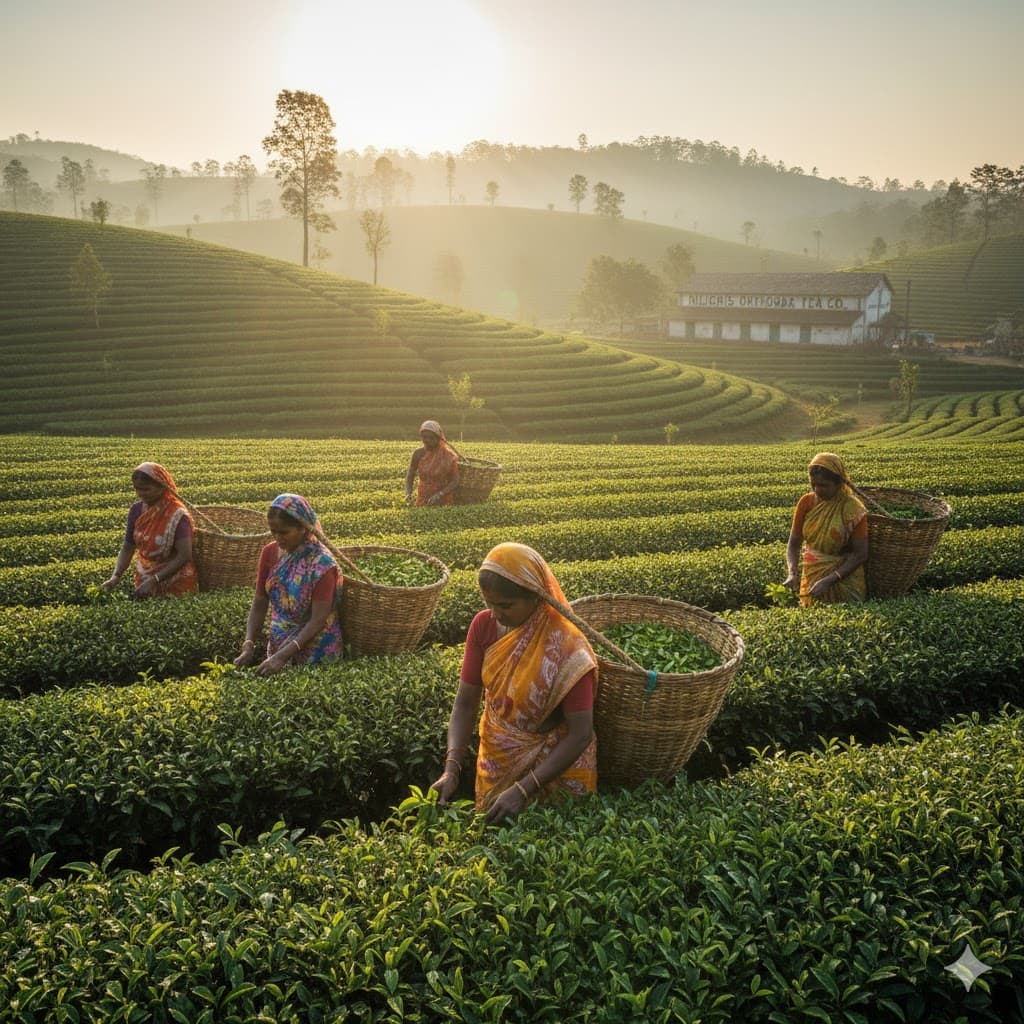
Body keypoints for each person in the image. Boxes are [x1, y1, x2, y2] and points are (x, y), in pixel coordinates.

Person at [431, 542, 598, 823]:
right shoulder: (483, 626)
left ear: (535, 596)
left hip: (555, 773)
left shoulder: (568, 647)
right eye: (489, 603)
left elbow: (580, 733)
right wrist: (452, 767)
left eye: (506, 605)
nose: (496, 613)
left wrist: (523, 789)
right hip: (497, 760)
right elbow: (466, 701)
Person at [233, 494, 343, 676]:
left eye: (284, 532)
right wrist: (248, 644)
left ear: (303, 528)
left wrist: (282, 656)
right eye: (273, 531)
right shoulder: (269, 553)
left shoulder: (322, 564)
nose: (277, 538)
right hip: (278, 644)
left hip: (316, 650)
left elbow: (317, 621)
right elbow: (260, 601)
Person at [101, 462, 198, 598]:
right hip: (145, 577)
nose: (140, 494)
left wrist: (155, 579)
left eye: (146, 489)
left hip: (176, 581)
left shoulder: (177, 515)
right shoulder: (136, 510)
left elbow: (184, 555)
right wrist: (115, 576)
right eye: (137, 489)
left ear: (163, 487)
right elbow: (128, 546)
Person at [784, 452, 868, 606]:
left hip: (845, 579)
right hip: (812, 572)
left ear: (839, 483)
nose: (817, 489)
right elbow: (794, 543)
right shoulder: (806, 502)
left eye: (824, 485)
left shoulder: (852, 507)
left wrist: (830, 580)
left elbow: (860, 554)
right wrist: (792, 572)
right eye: (814, 484)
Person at [404, 420, 460, 506]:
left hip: (443, 499)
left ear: (438, 438)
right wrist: (408, 493)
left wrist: (439, 494)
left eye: (431, 437)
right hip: (423, 496)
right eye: (424, 437)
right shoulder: (418, 453)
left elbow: (455, 480)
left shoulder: (448, 456)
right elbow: (410, 475)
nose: (427, 440)